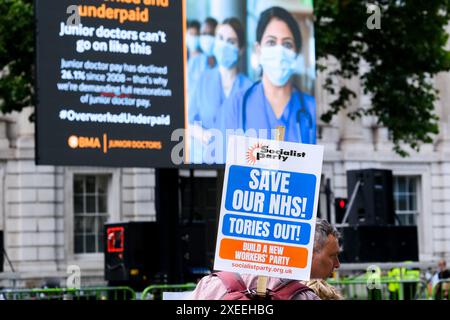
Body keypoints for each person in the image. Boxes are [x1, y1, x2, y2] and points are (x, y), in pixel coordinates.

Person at [221, 6, 316, 144]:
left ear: (296, 53)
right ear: (258, 50)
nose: (279, 51)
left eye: (287, 44)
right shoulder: (235, 106)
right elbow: (220, 162)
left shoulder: (311, 109)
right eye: (271, 42)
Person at [188, 219, 341, 300]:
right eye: (332, 255)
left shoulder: (212, 284)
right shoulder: (305, 297)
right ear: (310, 254)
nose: (337, 264)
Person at [188, 17, 252, 163]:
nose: (224, 45)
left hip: (238, 168)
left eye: (231, 42)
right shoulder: (203, 79)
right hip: (203, 166)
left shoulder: (249, 88)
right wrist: (200, 133)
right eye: (221, 38)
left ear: (241, 49)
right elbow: (189, 122)